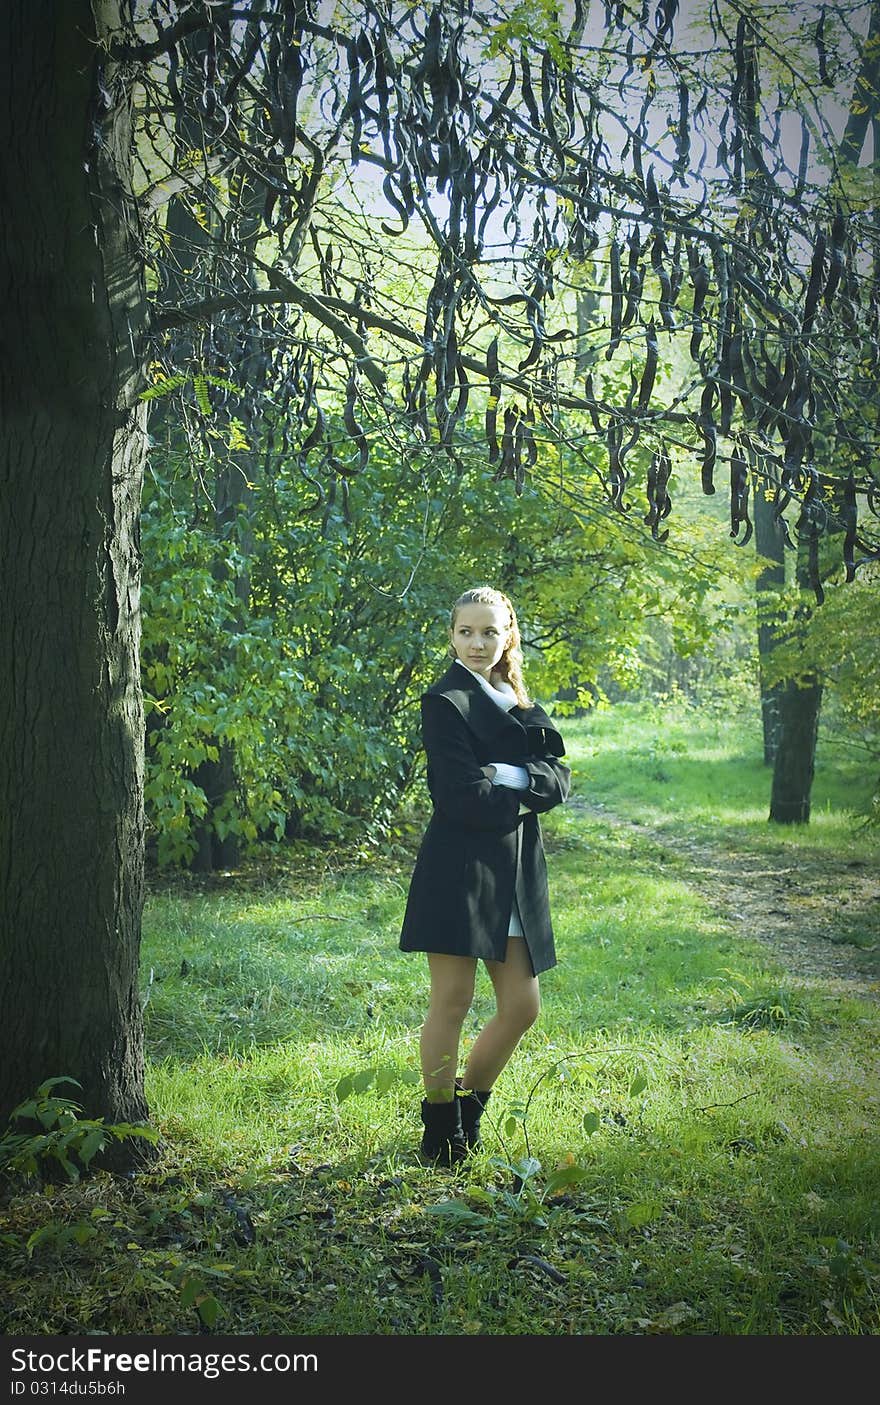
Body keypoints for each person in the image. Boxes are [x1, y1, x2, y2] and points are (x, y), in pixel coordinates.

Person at [399, 586, 571, 1166]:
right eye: (466, 632)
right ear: (451, 636)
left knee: (522, 1006)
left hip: (516, 872)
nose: (477, 643)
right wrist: (527, 788)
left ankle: (470, 1113)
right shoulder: (444, 701)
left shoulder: (517, 701)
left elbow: (559, 780)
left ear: (508, 636)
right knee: (452, 999)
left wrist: (515, 779)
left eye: (489, 632)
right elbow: (460, 798)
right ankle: (439, 1129)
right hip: (461, 870)